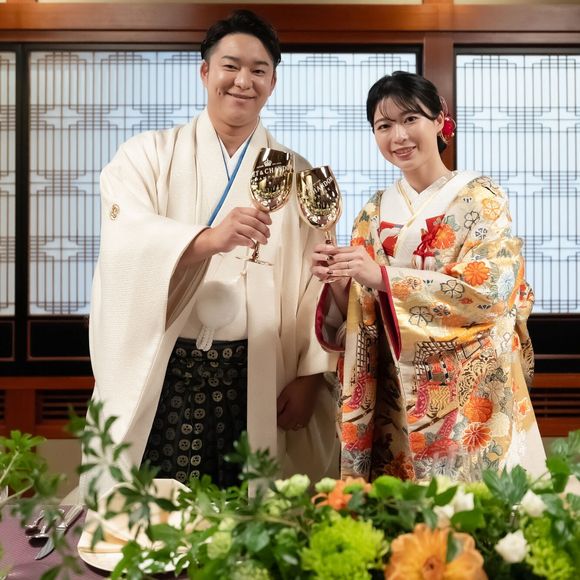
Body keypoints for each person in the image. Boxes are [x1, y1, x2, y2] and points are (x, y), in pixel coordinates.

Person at [82, 10, 338, 496]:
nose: (243, 81)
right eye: (230, 66)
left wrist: (310, 377)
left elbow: (315, 283)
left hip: (260, 372)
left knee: (248, 509)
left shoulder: (300, 174)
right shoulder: (147, 155)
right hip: (165, 366)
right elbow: (125, 238)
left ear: (273, 82)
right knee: (152, 511)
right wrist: (208, 240)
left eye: (258, 70)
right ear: (205, 72)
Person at [312, 71, 545, 482]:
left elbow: (491, 291)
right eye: (384, 126)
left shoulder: (480, 198)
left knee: (470, 505)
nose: (399, 136)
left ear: (439, 120)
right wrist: (339, 280)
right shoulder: (373, 212)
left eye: (410, 119)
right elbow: (361, 310)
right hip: (392, 390)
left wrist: (382, 277)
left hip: (467, 392)